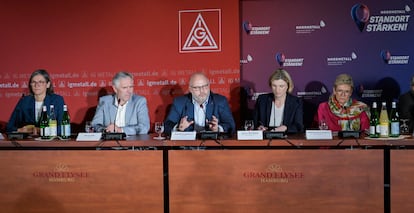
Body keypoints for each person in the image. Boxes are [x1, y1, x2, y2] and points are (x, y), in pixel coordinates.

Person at [164, 72, 235, 135]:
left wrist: (218, 129)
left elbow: (231, 126)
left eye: (205, 86)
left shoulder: (220, 101)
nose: (202, 91)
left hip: (212, 146)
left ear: (209, 86)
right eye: (197, 88)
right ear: (190, 89)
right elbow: (167, 125)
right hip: (187, 146)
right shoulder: (179, 102)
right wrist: (178, 128)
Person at [6, 69, 65, 134]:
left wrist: (40, 130)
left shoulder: (57, 100)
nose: (37, 85)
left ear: (48, 84)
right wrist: (21, 130)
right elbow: (9, 127)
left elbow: (63, 127)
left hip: (50, 141)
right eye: (34, 82)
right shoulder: (24, 101)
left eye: (41, 82)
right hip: (28, 142)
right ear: (30, 85)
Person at [253, 69, 304, 133]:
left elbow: (299, 127)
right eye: (274, 86)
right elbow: (254, 123)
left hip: (287, 138)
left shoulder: (296, 102)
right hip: (265, 138)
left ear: (288, 86)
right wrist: (259, 127)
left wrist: (286, 128)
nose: (277, 90)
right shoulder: (262, 100)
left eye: (281, 86)